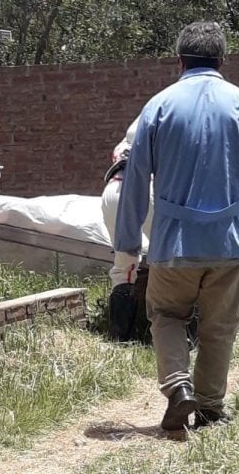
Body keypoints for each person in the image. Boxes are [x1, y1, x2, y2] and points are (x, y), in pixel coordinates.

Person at [114, 22, 239, 431]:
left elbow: (134, 179)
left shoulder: (159, 107)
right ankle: (209, 408)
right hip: (229, 243)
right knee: (219, 326)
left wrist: (128, 242)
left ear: (180, 60)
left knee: (167, 314)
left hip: (173, 243)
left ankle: (177, 386)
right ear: (222, 61)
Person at [101, 117, 153, 343]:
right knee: (170, 257)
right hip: (143, 190)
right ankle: (171, 331)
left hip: (112, 190)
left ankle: (121, 337)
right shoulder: (163, 126)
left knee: (124, 265)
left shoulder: (126, 140)